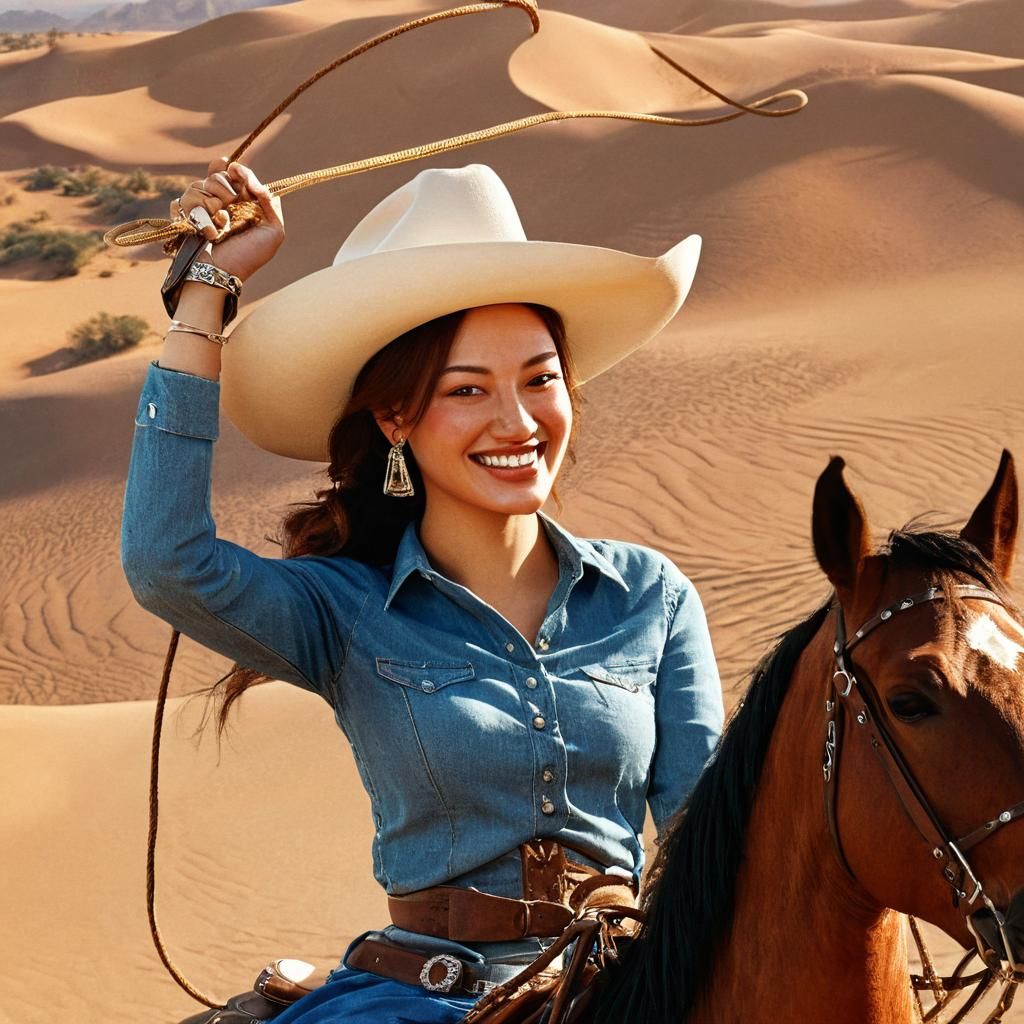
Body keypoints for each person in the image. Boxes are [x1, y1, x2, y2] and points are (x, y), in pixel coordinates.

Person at [120, 155, 724, 1023]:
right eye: (466, 389)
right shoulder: (346, 610)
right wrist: (208, 289)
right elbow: (166, 561)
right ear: (395, 418)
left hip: (628, 983)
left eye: (540, 378)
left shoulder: (650, 596)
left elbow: (711, 836)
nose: (517, 423)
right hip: (417, 1000)